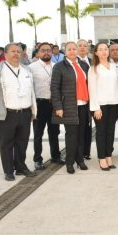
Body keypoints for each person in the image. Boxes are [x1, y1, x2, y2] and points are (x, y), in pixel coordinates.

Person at [0, 43, 37, 181]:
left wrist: (33, 111)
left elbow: (32, 91)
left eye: (18, 52)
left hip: (25, 113)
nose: (16, 54)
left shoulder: (27, 70)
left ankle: (20, 167)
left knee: (22, 142)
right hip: (6, 114)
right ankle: (8, 171)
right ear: (6, 54)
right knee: (6, 143)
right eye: (13, 51)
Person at [51, 41, 90, 174]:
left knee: (81, 135)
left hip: (83, 105)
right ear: (65, 51)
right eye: (69, 49)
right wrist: (58, 106)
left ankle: (80, 160)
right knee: (71, 135)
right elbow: (54, 88)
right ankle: (69, 162)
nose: (72, 51)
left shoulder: (84, 65)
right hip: (68, 106)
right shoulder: (59, 66)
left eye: (74, 49)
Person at [30, 42, 64, 170]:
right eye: (43, 50)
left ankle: (56, 156)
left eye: (48, 50)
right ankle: (37, 159)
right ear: (38, 52)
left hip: (54, 104)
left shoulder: (57, 66)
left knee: (54, 132)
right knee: (38, 133)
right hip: (40, 104)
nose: (46, 52)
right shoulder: (32, 68)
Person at [88, 43, 118, 171]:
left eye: (105, 49)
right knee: (101, 133)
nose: (103, 51)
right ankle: (102, 158)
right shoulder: (93, 69)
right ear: (95, 52)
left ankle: (108, 156)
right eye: (100, 50)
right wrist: (96, 107)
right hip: (100, 105)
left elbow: (116, 86)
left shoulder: (113, 66)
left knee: (111, 132)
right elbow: (92, 89)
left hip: (113, 104)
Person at [77, 39, 92, 160]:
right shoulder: (73, 63)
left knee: (88, 127)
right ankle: (79, 153)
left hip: (91, 100)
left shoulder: (92, 62)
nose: (82, 48)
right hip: (79, 100)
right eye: (80, 46)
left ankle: (87, 152)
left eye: (85, 46)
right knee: (80, 129)